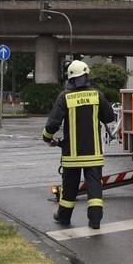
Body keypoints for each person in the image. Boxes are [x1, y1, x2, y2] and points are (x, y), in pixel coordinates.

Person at [43, 60, 115, 229]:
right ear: (86, 76)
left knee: (69, 189)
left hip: (72, 155)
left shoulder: (64, 97)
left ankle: (64, 217)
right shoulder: (97, 95)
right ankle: (95, 221)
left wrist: (47, 138)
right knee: (94, 190)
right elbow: (109, 117)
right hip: (94, 153)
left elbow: (53, 124)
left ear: (70, 78)